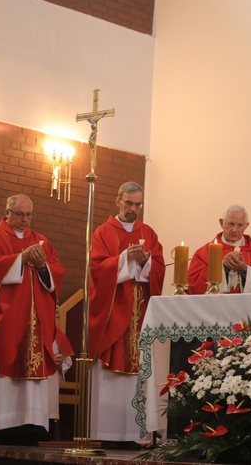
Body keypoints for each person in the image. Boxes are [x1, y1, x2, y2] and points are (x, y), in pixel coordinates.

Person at [88, 181, 165, 447]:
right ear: (117, 201)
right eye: (129, 203)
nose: (133, 209)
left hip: (141, 312)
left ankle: (137, 435)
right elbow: (96, 269)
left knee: (140, 370)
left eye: (138, 204)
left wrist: (145, 262)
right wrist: (123, 259)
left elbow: (159, 270)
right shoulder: (103, 232)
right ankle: (108, 433)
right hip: (114, 313)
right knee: (113, 371)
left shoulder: (149, 232)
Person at [0, 194, 66, 445]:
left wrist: (43, 266)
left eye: (29, 215)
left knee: (33, 368)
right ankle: (2, 424)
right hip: (6, 318)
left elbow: (55, 271)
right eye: (20, 214)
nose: (25, 220)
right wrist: (20, 258)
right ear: (8, 213)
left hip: (36, 320)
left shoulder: (41, 241)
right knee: (4, 368)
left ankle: (33, 423)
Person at [188, 205, 251, 294]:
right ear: (221, 222)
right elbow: (193, 286)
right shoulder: (204, 253)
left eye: (240, 225)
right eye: (231, 224)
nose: (234, 230)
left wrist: (245, 270)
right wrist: (223, 268)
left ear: (246, 226)